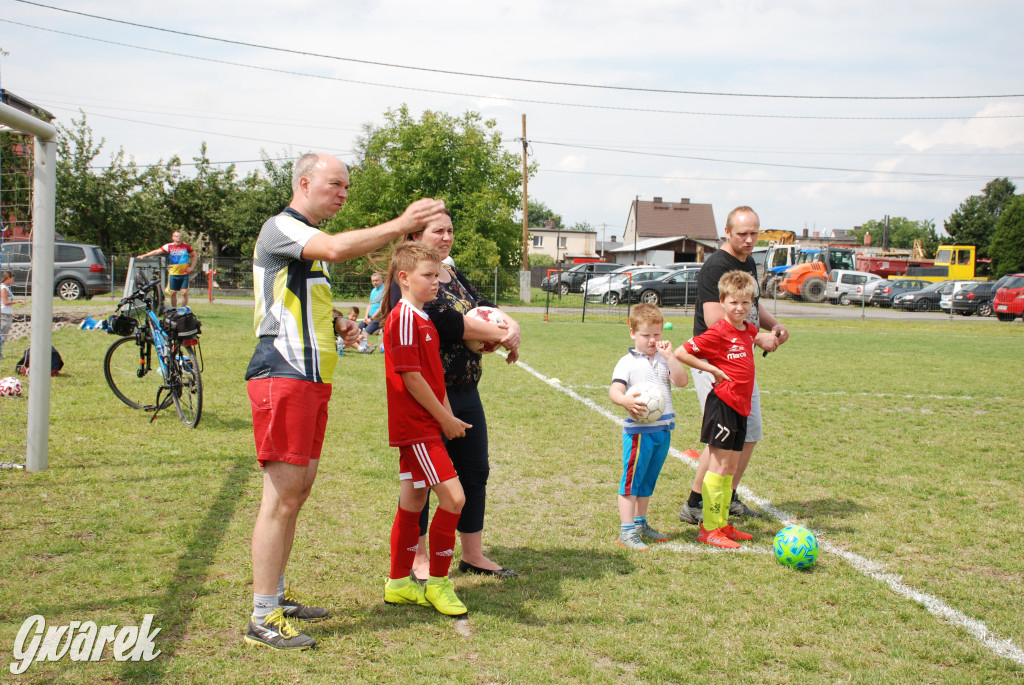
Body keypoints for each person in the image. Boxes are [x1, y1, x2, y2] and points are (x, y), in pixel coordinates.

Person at [243, 152, 445, 651]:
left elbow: (293, 295)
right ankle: (263, 616)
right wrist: (403, 224)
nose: (343, 193)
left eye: (347, 187)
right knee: (281, 499)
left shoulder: (303, 243)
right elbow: (334, 250)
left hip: (310, 380)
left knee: (297, 494)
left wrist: (338, 322)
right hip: (283, 377)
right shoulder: (282, 227)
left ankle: (277, 597)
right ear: (305, 182)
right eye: (336, 184)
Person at [392, 211, 522, 580]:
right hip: (431, 396)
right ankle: (417, 560)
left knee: (475, 471)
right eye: (438, 231)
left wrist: (511, 327)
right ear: (416, 235)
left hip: (466, 388)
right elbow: (446, 321)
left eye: (450, 230)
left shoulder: (450, 270)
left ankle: (473, 554)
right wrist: (497, 334)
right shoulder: (408, 277)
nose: (447, 237)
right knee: (423, 480)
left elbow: (482, 303)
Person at [678, 206, 789, 527]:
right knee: (721, 440)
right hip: (714, 365)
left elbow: (751, 305)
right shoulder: (716, 266)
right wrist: (759, 339)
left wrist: (774, 325)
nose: (750, 239)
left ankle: (727, 497)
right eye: (743, 233)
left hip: (741, 362)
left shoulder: (749, 261)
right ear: (727, 232)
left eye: (755, 232)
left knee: (749, 433)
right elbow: (716, 322)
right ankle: (696, 503)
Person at [379, 241, 471, 616]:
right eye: (428, 276)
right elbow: (412, 379)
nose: (436, 282)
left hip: (429, 426)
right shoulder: (402, 318)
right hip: (417, 428)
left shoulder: (423, 318)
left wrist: (449, 417)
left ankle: (399, 583)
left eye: (438, 275)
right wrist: (444, 419)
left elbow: (434, 380)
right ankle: (437, 583)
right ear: (404, 277)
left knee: (413, 502)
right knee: (454, 499)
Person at [674, 271, 760, 548]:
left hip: (741, 407)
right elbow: (681, 352)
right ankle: (709, 529)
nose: (740, 308)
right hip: (722, 405)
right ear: (722, 301)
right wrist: (711, 368)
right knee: (720, 466)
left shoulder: (750, 331)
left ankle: (722, 523)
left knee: (731, 467)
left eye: (746, 303)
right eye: (734, 302)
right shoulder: (718, 332)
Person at [608, 303, 688, 550]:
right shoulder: (627, 362)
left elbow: (682, 381)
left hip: (663, 430)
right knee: (632, 482)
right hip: (639, 432)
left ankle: (641, 523)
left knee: (647, 482)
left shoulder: (665, 360)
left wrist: (670, 357)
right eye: (646, 335)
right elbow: (615, 390)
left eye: (657, 334)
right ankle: (626, 531)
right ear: (633, 333)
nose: (652, 340)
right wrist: (624, 401)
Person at [137, 230, 198, 308]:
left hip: (184, 273)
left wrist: (191, 267)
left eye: (180, 236)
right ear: (173, 237)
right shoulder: (169, 246)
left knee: (184, 292)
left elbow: (195, 255)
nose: (179, 237)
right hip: (173, 273)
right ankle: (174, 309)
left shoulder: (186, 246)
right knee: (173, 293)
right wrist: (144, 255)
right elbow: (157, 252)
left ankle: (184, 308)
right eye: (177, 236)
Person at [1, 270, 22, 360]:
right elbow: (5, 302)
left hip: (6, 314)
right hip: (4, 314)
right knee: (2, 335)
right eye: (12, 279)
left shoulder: (5, 287)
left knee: (3, 335)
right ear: (8, 278)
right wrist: (17, 302)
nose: (13, 281)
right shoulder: (3, 288)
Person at [358, 272, 385, 337]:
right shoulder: (373, 290)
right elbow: (369, 304)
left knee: (365, 333)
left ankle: (381, 328)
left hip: (378, 317)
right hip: (370, 317)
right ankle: (379, 330)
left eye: (376, 280)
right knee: (358, 329)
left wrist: (372, 318)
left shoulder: (384, 290)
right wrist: (366, 317)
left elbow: (381, 308)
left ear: (381, 280)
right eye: (373, 281)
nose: (375, 282)